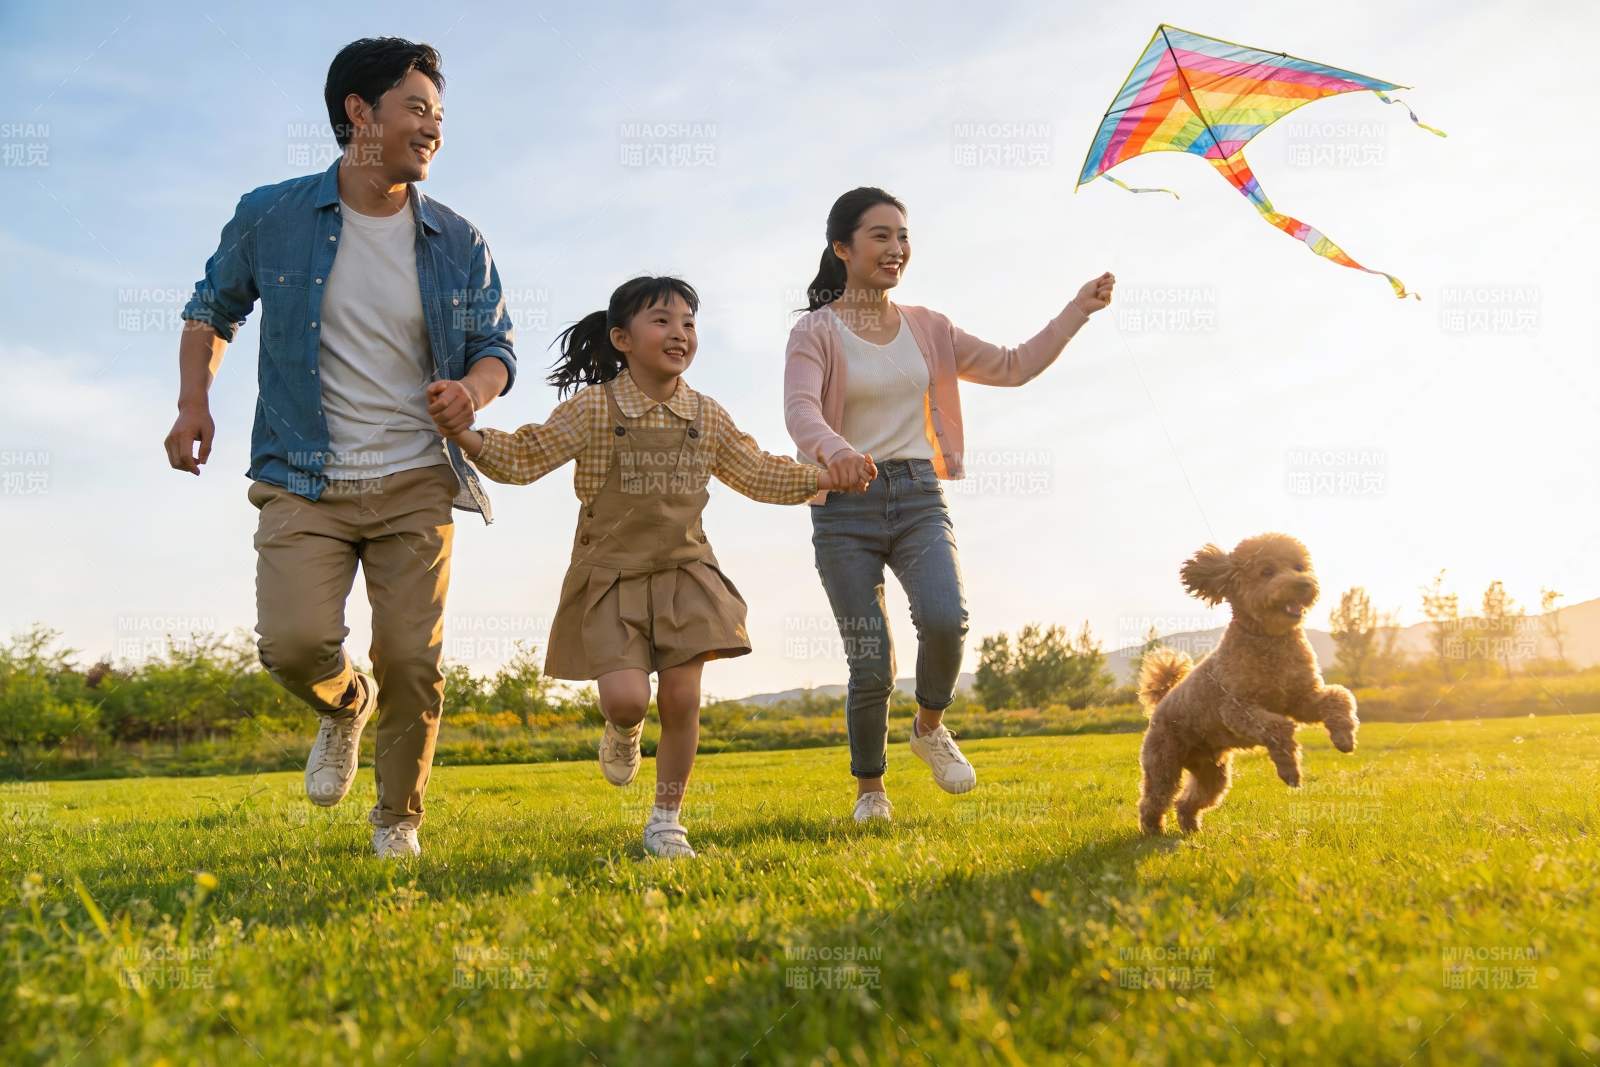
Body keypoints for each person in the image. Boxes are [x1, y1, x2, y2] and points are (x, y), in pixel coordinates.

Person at [166, 38, 517, 859]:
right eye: (417, 109)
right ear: (359, 112)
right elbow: (208, 310)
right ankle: (341, 704)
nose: (432, 129)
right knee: (291, 645)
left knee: (412, 658)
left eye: (439, 115)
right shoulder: (271, 213)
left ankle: (397, 821)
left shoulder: (459, 240)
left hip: (416, 477)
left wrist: (474, 391)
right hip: (302, 471)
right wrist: (193, 401)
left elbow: (495, 345)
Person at [432, 276, 868, 858]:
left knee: (684, 698)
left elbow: (759, 472)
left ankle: (666, 819)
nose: (679, 333)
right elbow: (529, 454)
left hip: (686, 571)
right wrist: (468, 436)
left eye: (688, 322)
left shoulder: (705, 415)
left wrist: (823, 474)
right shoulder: (594, 407)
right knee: (627, 698)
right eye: (662, 320)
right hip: (610, 576)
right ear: (622, 339)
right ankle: (623, 728)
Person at [783, 186, 1114, 823]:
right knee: (870, 659)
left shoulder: (929, 327)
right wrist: (835, 451)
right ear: (842, 248)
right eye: (880, 236)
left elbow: (1015, 366)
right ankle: (871, 792)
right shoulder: (815, 332)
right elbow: (800, 411)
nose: (896, 248)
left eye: (902, 236)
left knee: (945, 617)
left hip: (916, 495)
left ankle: (930, 725)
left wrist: (1078, 309)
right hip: (842, 505)